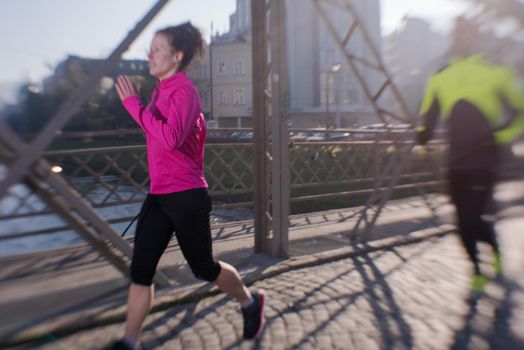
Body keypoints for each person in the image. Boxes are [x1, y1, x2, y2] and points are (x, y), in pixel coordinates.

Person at [110, 22, 265, 350]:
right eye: (149, 48)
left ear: (177, 56)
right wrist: (141, 106)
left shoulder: (185, 92)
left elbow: (169, 138)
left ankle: (250, 303)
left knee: (204, 267)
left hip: (186, 196)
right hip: (159, 196)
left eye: (156, 49)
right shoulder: (160, 90)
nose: (149, 54)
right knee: (141, 270)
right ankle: (129, 342)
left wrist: (133, 107)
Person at [415, 17, 524, 293]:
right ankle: (481, 261)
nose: (462, 39)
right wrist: (421, 139)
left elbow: (519, 112)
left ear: (475, 38)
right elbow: (428, 116)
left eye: (467, 34)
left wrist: (497, 136)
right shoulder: (440, 76)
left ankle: (486, 262)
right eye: (457, 34)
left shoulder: (494, 72)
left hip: (485, 160)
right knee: (462, 219)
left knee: (472, 216)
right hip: (455, 160)